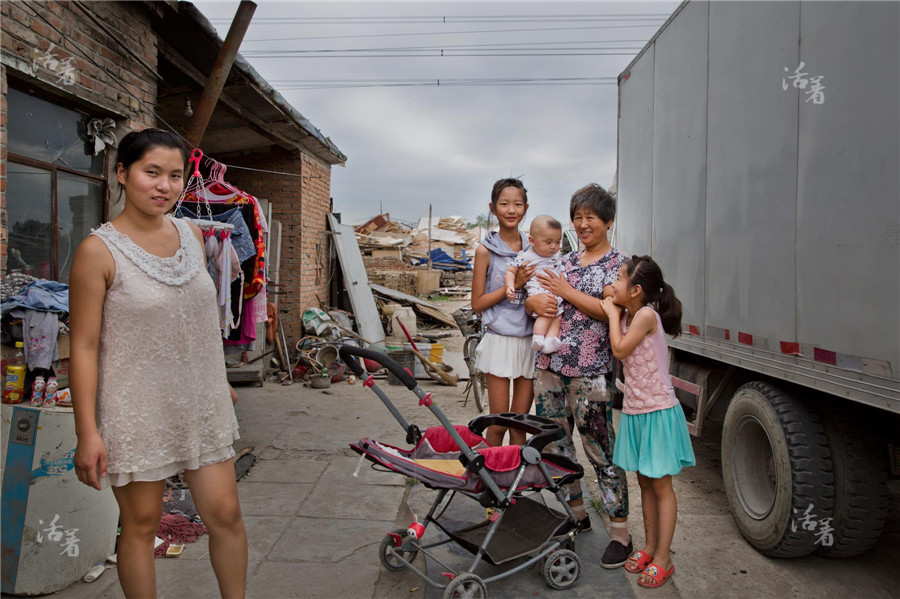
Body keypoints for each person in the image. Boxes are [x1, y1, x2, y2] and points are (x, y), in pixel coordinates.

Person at [70, 129, 247, 599]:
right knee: (142, 525)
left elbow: (197, 317)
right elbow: (84, 348)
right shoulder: (98, 252)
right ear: (123, 174)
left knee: (225, 515)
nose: (164, 186)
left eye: (174, 176)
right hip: (136, 409)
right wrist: (87, 432)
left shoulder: (191, 233)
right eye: (152, 173)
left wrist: (219, 377)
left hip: (201, 403)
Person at [525, 183, 632, 568]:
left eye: (590, 217)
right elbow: (540, 297)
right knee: (556, 446)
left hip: (591, 372)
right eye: (578, 217)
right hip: (550, 369)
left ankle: (620, 532)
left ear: (608, 221)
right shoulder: (565, 260)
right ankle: (576, 515)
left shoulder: (619, 265)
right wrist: (531, 301)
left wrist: (565, 291)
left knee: (601, 450)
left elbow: (609, 312)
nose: (583, 224)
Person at [600, 255, 695, 589]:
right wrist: (615, 308)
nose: (612, 283)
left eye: (619, 279)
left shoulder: (643, 315)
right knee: (644, 482)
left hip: (657, 412)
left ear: (636, 289)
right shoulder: (629, 312)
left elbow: (620, 350)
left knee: (661, 485)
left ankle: (664, 558)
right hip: (637, 411)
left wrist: (612, 313)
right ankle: (651, 547)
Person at [470, 178, 536, 447]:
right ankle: (489, 483)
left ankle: (514, 486)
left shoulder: (535, 250)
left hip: (530, 341)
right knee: (497, 423)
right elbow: (477, 303)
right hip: (499, 340)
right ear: (493, 208)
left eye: (517, 204)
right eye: (504, 204)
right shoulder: (485, 251)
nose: (511, 210)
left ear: (526, 208)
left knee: (519, 425)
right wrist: (514, 285)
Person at [504, 215, 564, 354]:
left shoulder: (556, 256)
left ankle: (549, 341)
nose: (553, 247)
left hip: (555, 294)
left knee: (557, 317)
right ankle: (537, 338)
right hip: (539, 293)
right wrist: (510, 286)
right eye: (548, 242)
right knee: (547, 315)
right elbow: (511, 271)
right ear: (532, 241)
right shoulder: (527, 256)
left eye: (557, 242)